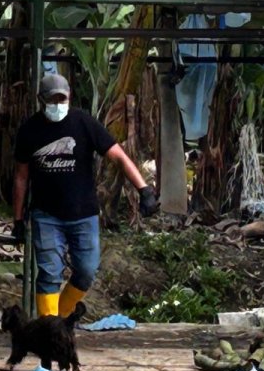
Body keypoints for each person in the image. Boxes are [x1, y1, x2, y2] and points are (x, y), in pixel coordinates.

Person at [13, 73, 159, 318]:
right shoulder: (30, 130)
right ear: (42, 100)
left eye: (63, 99)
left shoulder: (83, 123)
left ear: (69, 97)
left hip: (83, 214)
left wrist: (144, 189)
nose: (58, 105)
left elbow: (119, 156)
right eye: (53, 100)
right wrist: (17, 219)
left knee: (87, 270)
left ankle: (60, 316)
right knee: (49, 273)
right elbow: (21, 177)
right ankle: (49, 330)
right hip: (46, 215)